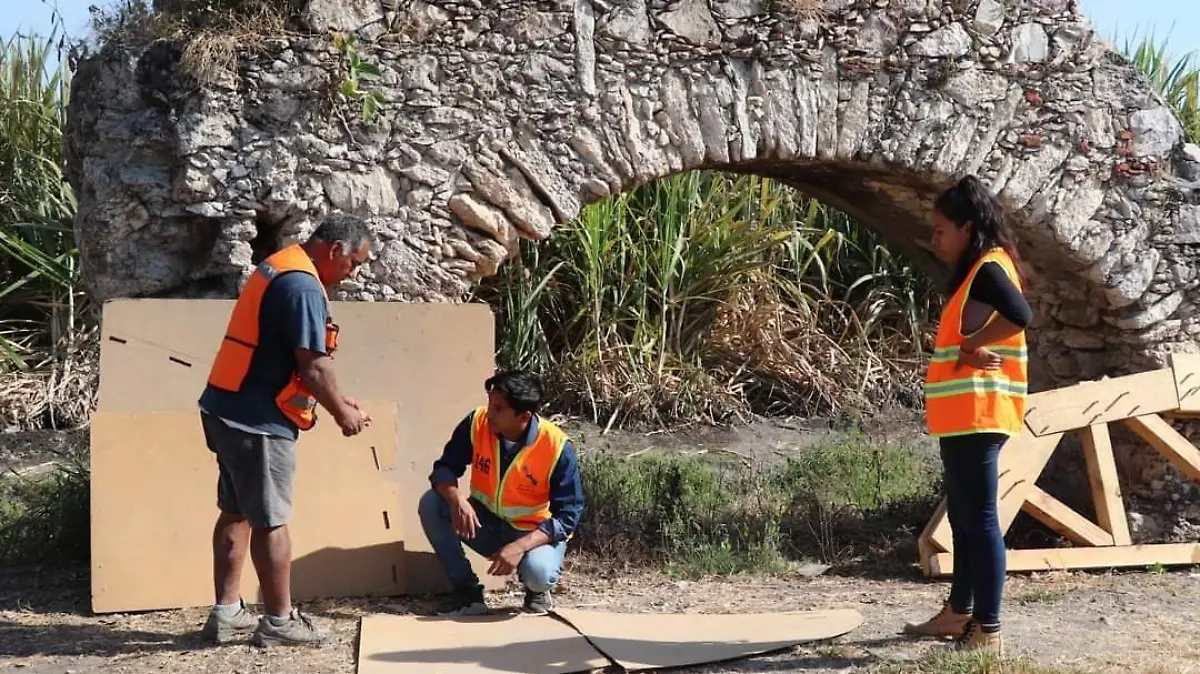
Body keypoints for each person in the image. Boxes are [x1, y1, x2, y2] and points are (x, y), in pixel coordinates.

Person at [196, 213, 374, 647]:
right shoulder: (302, 287)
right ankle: (278, 622)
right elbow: (312, 367)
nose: (351, 275)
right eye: (354, 263)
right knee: (271, 521)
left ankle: (226, 613)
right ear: (335, 250)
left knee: (235, 511)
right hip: (256, 423)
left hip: (226, 407)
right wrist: (342, 414)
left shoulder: (281, 265)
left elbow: (283, 356)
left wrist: (339, 396)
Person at [903, 175, 1033, 657]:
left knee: (979, 519)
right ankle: (959, 612)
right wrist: (970, 345)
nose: (934, 239)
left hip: (980, 413)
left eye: (941, 230)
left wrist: (975, 343)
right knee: (962, 514)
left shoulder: (988, 269)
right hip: (963, 415)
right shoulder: (977, 270)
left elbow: (1020, 314)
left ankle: (988, 629)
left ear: (968, 227)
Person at [418, 369, 584, 616]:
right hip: (485, 525)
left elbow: (568, 517)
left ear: (524, 416)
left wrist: (519, 546)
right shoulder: (477, 422)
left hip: (532, 535)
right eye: (490, 404)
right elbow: (444, 468)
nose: (489, 413)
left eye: (499, 408)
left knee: (540, 573)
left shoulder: (556, 447)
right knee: (433, 503)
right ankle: (467, 593)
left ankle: (537, 591)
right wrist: (456, 500)